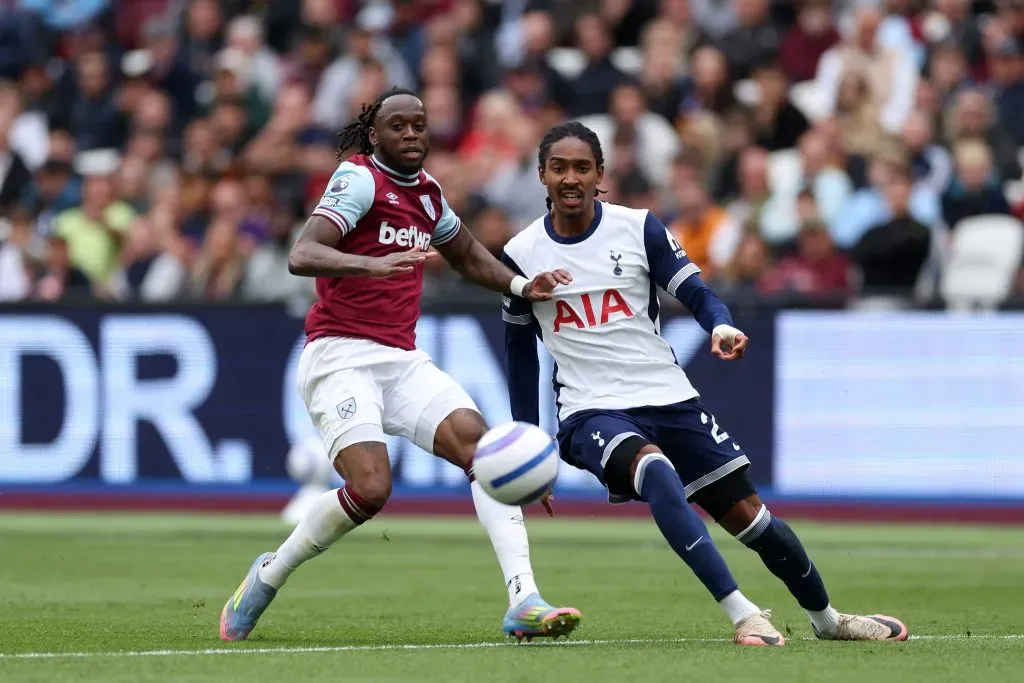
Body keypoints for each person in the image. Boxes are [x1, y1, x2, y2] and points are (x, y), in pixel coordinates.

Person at [500, 121, 909, 646]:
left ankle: (828, 620)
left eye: (582, 167)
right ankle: (744, 614)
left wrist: (719, 323)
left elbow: (694, 289)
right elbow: (518, 353)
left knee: (753, 519)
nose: (571, 178)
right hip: (591, 410)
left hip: (669, 397)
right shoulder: (521, 253)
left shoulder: (638, 227)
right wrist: (528, 447)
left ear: (600, 173)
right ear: (542, 175)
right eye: (559, 168)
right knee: (656, 471)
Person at [220, 87, 580, 643]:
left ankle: (523, 599)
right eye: (399, 126)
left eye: (419, 125)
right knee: (370, 489)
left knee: (482, 451)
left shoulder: (429, 194)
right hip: (338, 354)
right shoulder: (359, 179)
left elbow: (465, 255)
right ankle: (268, 575)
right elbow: (303, 253)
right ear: (375, 135)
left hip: (401, 360)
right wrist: (369, 265)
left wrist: (518, 284)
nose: (411, 135)